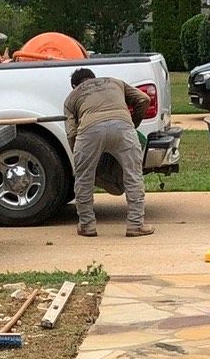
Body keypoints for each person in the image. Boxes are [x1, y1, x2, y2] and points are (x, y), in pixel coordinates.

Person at [63, 67, 153, 238]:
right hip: (123, 127)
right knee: (133, 176)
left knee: (84, 179)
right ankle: (135, 225)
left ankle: (87, 225)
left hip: (89, 130)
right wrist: (133, 124)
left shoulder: (71, 97)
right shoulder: (115, 82)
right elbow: (144, 99)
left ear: (75, 85)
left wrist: (79, 155)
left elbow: (71, 132)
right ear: (93, 78)